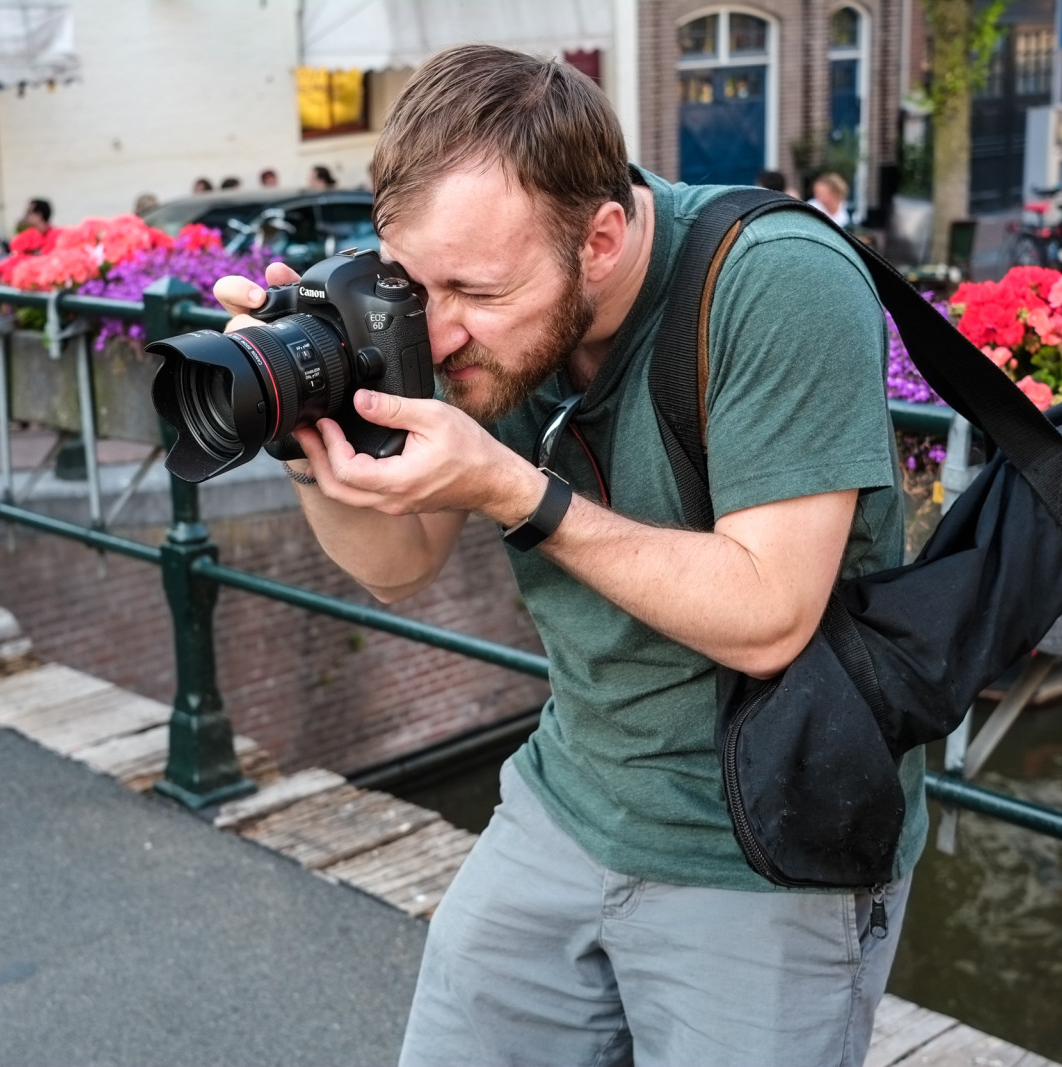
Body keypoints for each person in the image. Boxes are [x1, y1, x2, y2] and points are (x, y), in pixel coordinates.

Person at [216, 45, 920, 1067]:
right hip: (568, 796)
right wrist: (304, 437)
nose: (441, 329)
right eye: (414, 284)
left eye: (477, 289)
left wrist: (510, 487)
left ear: (599, 238)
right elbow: (398, 562)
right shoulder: (461, 317)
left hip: (767, 846)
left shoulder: (775, 282)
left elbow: (770, 613)